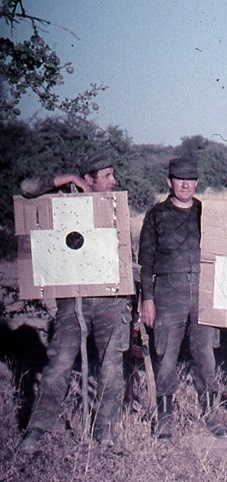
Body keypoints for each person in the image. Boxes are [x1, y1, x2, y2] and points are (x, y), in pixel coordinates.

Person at [17, 154, 132, 453]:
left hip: (111, 300)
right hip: (74, 301)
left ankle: (105, 430)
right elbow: (27, 188)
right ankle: (37, 430)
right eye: (107, 176)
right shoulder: (65, 202)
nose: (114, 181)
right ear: (89, 179)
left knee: (110, 367)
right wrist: (67, 179)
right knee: (59, 365)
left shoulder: (114, 207)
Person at [138, 157, 227, 440]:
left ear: (197, 182)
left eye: (191, 179)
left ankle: (210, 413)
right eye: (180, 179)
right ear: (169, 182)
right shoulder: (156, 214)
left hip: (203, 291)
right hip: (168, 291)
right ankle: (165, 416)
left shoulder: (207, 213)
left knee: (205, 355)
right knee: (165, 355)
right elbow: (145, 263)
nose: (186, 184)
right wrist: (148, 299)